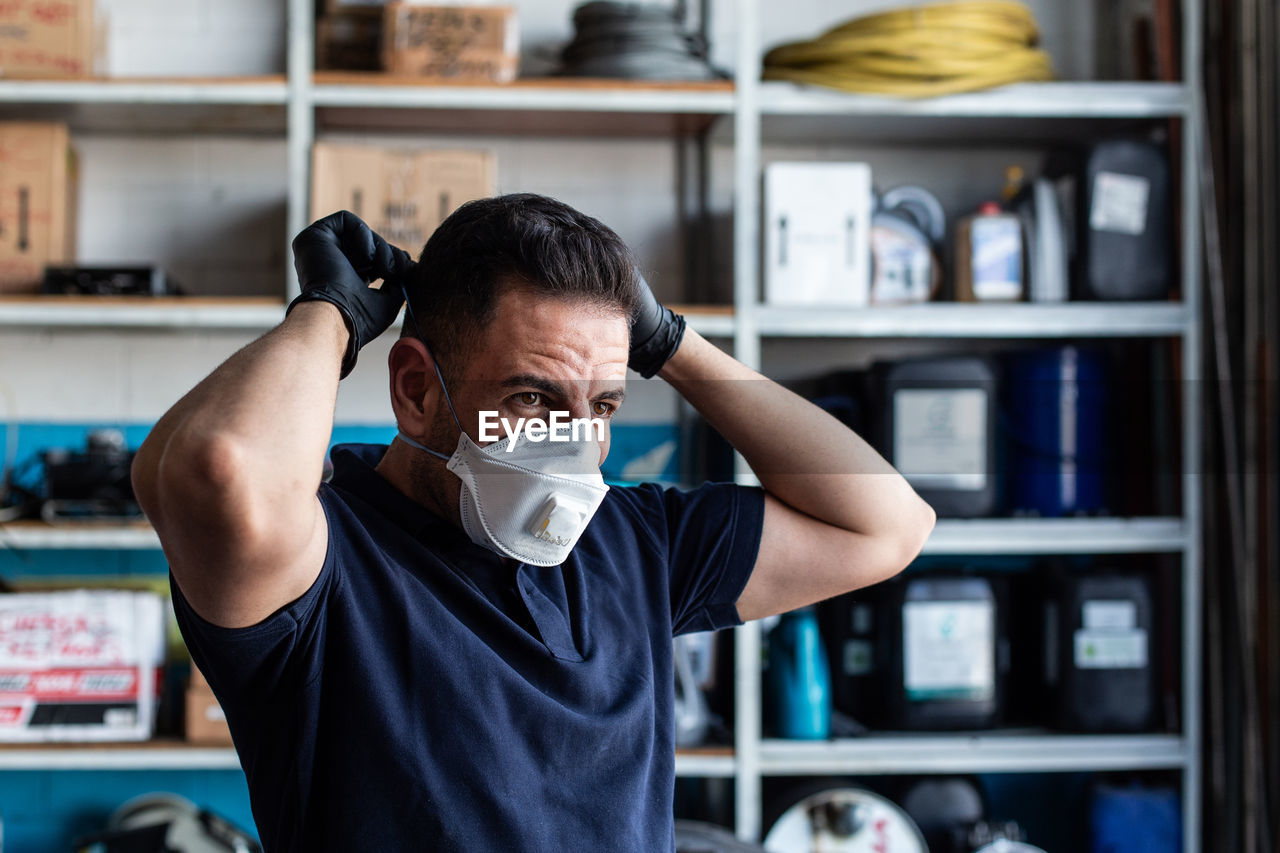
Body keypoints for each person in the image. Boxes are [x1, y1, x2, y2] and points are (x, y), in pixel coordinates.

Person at [132, 194, 935, 852]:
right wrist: (329, 315)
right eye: (534, 398)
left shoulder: (634, 542)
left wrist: (671, 344)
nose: (576, 442)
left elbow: (885, 524)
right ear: (415, 392)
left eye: (605, 406)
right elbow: (220, 470)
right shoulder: (327, 559)